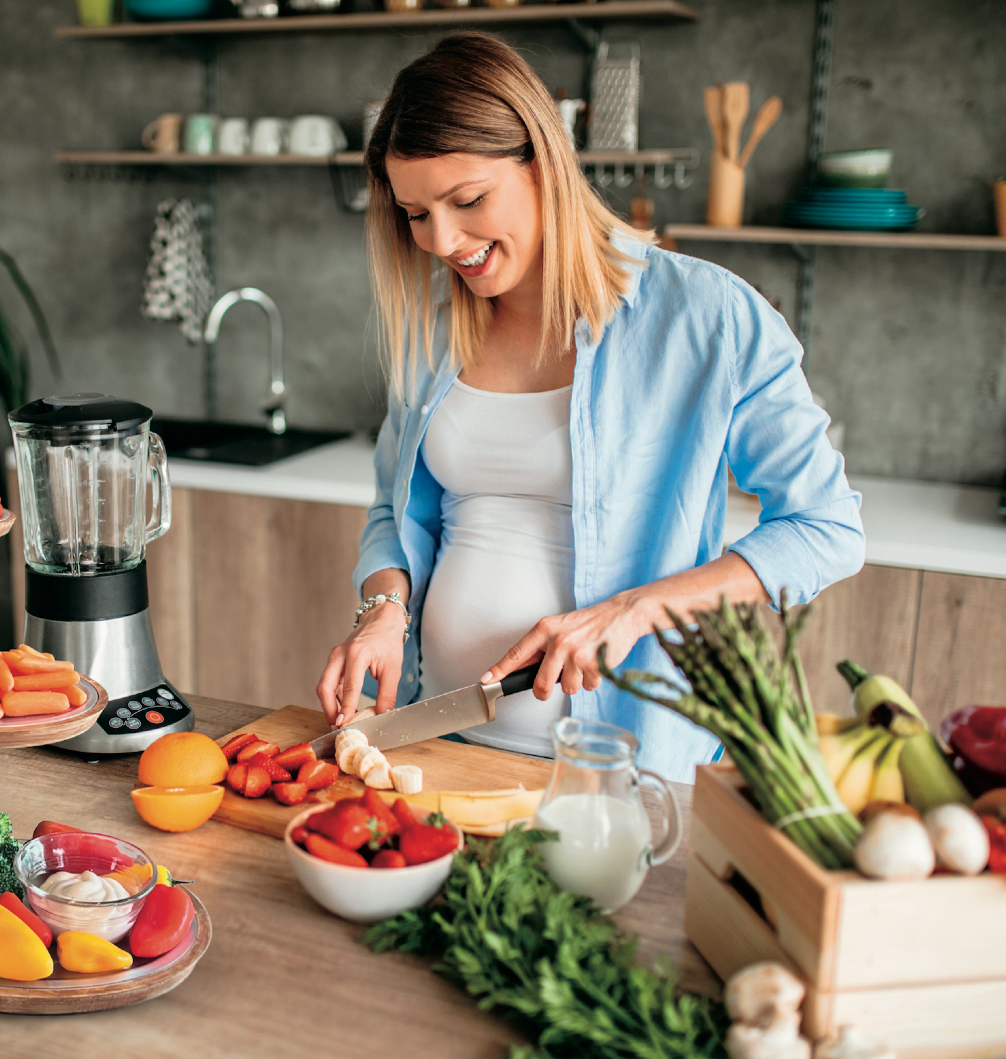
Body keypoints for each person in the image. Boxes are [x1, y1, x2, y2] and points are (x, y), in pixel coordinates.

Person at [314, 32, 864, 780]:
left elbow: (825, 529)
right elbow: (398, 512)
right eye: (415, 213)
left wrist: (634, 610)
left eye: (467, 200)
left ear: (542, 159)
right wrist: (382, 608)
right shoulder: (435, 332)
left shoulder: (708, 317)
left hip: (619, 768)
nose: (442, 240)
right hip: (439, 748)